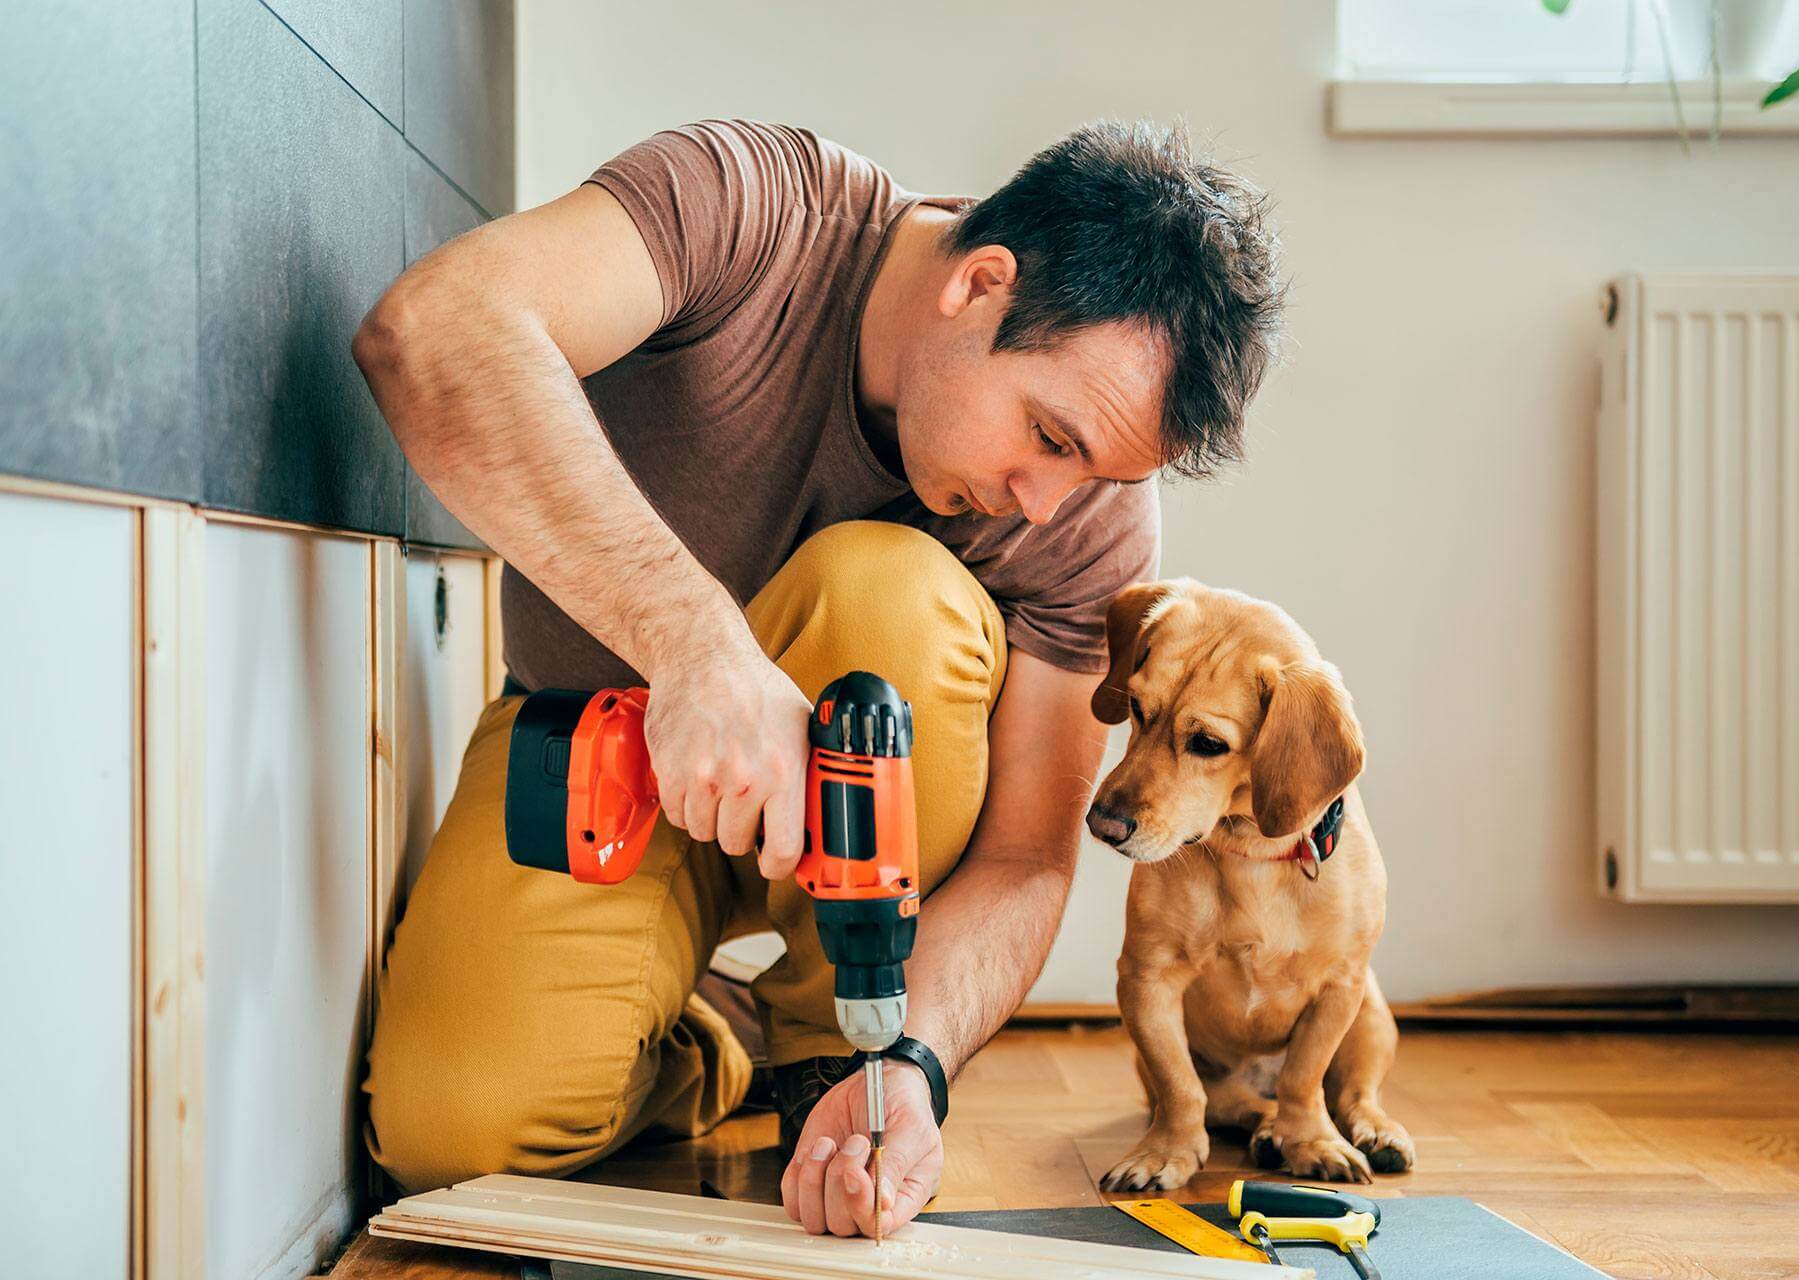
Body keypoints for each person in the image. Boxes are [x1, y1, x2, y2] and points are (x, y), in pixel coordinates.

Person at [351, 117, 1283, 1239]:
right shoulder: (749, 208)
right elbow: (436, 329)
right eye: (1047, 434)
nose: (1046, 500)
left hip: (864, 876)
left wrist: (919, 1060)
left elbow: (1028, 856)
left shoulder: (1088, 515)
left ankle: (835, 1045)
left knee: (890, 590)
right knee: (453, 1136)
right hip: (599, 742)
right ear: (982, 284)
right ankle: (717, 1035)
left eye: (1090, 471)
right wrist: (697, 646)